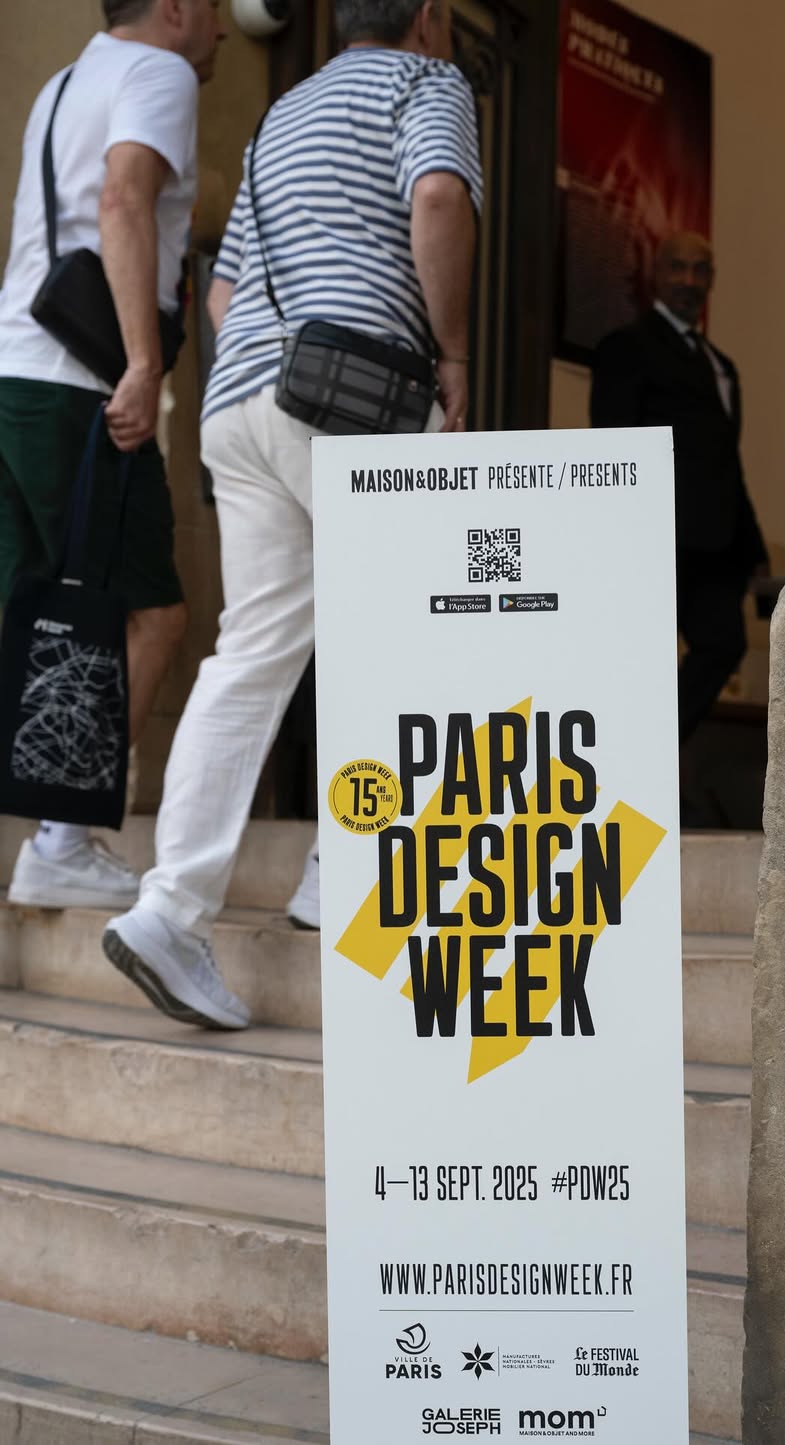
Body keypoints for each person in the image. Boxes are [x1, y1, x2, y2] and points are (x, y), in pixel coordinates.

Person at [102, 0, 483, 1029]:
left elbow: (223, 296)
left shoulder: (283, 113)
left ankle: (169, 910)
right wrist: (452, 354)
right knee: (413, 638)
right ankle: (342, 868)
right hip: (356, 399)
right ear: (428, 18)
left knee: (252, 651)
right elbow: (438, 195)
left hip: (243, 401)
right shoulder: (429, 83)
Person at [0, 0, 226, 908]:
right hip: (78, 385)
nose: (219, 25)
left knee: (28, 613)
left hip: (17, 371)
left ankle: (52, 836)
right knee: (152, 614)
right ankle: (61, 838)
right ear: (174, 7)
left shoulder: (63, 82)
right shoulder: (159, 72)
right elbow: (124, 198)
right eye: (213, 6)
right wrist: (141, 363)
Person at [590, 231, 767, 758]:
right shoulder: (626, 348)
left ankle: (650, 750)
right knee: (638, 656)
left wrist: (753, 545)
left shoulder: (721, 365)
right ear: (656, 275)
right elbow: (613, 448)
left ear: (712, 280)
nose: (689, 280)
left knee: (724, 644)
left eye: (700, 270)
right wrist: (625, 529)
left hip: (716, 543)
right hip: (656, 536)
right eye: (677, 267)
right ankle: (621, 758)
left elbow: (726, 461)